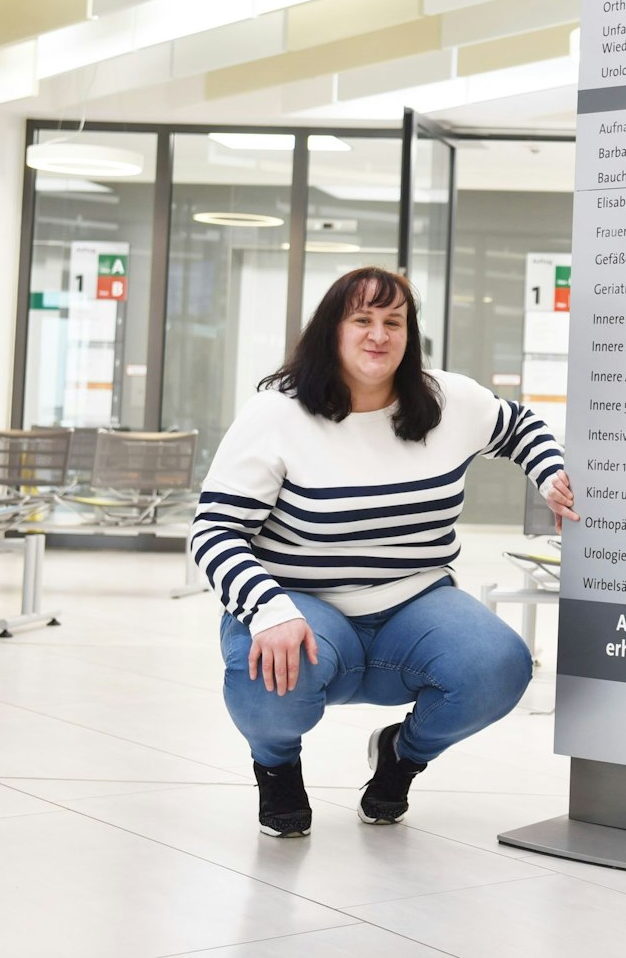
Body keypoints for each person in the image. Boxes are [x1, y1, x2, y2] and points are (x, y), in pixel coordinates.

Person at [192, 266, 577, 838]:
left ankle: (401, 757)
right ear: (332, 331)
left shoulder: (448, 400)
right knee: (265, 675)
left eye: (393, 321)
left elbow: (521, 426)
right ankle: (277, 768)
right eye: (362, 320)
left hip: (413, 602)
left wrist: (550, 477)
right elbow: (214, 531)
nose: (379, 334)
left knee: (498, 666)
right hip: (301, 604)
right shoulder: (278, 414)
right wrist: (268, 611)